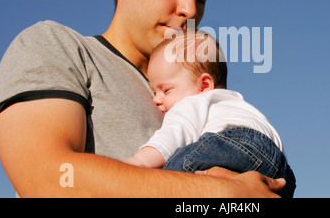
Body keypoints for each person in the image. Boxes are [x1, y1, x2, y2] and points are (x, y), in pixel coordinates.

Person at [0, 0, 286, 197]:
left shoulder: (194, 90)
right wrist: (216, 192)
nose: (190, 9)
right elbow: (48, 180)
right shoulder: (59, 46)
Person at [125, 30, 296, 198]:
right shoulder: (234, 102)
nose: (156, 99)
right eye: (154, 92)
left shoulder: (193, 101)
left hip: (233, 144)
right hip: (280, 171)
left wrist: (139, 163)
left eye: (166, 90)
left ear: (204, 85)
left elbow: (173, 133)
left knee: (170, 177)